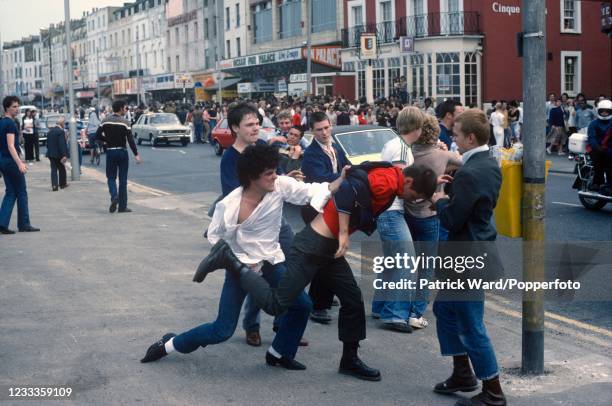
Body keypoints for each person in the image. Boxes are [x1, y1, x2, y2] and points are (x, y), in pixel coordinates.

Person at [195, 162, 439, 381]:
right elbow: (347, 190)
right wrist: (344, 232)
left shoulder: (396, 175)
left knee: (352, 299)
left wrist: (432, 183)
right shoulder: (388, 180)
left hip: (329, 250)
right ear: (408, 182)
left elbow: (374, 181)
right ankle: (231, 260)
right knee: (277, 304)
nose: (410, 200)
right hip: (312, 246)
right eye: (413, 195)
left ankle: (348, 360)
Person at [142, 145, 325, 369]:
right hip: (241, 268)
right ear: (252, 176)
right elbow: (214, 236)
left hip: (269, 262)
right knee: (222, 330)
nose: (275, 176)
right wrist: (239, 260)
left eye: (275, 171)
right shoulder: (228, 205)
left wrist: (344, 181)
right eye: (269, 173)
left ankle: (279, 353)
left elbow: (313, 191)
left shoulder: (278, 187)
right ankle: (170, 343)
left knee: (302, 304)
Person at [430, 109, 506, 406]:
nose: (453, 137)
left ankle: (494, 392)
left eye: (457, 134)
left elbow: (451, 220)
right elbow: (474, 205)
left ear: (471, 137)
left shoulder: (471, 172)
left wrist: (440, 199)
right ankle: (462, 374)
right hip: (474, 250)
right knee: (445, 311)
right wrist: (452, 188)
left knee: (472, 325)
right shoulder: (487, 164)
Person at [218, 103, 302, 347]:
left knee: (290, 271)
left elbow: (272, 177)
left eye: (257, 123)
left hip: (278, 222)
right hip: (250, 230)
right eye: (250, 125)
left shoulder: (263, 147)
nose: (256, 128)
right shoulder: (230, 159)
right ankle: (251, 325)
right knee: (258, 277)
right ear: (235, 128)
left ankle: (284, 323)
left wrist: (286, 179)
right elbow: (235, 199)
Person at [371, 106, 422, 332]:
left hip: (385, 210)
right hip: (392, 210)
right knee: (405, 261)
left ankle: (381, 305)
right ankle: (394, 314)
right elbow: (401, 184)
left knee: (392, 262)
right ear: (418, 127)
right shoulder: (402, 150)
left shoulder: (392, 144)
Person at [301, 111, 352, 324]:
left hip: (332, 206)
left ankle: (323, 296)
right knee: (326, 254)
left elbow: (347, 165)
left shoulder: (335, 147)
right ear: (312, 131)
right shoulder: (311, 154)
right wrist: (343, 176)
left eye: (326, 127)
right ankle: (317, 304)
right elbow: (320, 178)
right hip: (316, 208)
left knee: (326, 253)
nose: (324, 132)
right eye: (319, 129)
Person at [0, 96, 40, 234]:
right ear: (7, 108)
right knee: (21, 191)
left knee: (11, 192)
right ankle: (24, 223)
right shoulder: (10, 124)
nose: (17, 109)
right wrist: (20, 163)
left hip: (3, 160)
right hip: (11, 161)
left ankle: (2, 224)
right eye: (14, 107)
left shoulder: (1, 122)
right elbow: (11, 146)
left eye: (18, 106)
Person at [95, 100, 142, 213]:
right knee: (123, 180)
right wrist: (136, 155)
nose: (125, 110)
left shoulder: (105, 121)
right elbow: (130, 141)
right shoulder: (125, 122)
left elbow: (97, 136)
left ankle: (114, 196)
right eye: (124, 108)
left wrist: (106, 141)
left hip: (110, 152)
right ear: (121, 109)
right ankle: (122, 207)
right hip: (122, 152)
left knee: (111, 178)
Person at [587, 99, 612, 195]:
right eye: (602, 111)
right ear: (598, 111)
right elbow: (592, 138)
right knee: (608, 160)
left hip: (609, 147)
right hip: (596, 148)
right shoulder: (594, 124)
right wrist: (598, 148)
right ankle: (600, 183)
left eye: (607, 111)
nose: (605, 113)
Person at [46, 115, 69, 191]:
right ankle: (62, 184)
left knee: (53, 170)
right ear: (61, 123)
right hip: (58, 154)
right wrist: (64, 155)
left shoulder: (50, 131)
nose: (64, 125)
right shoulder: (61, 132)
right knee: (62, 169)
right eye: (64, 123)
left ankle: (54, 186)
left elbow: (47, 144)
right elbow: (61, 144)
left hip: (51, 154)